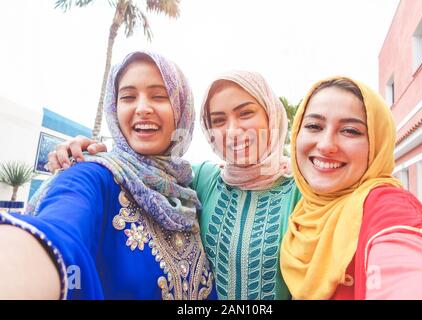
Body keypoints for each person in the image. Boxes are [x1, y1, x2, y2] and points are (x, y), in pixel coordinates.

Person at [46, 70, 302, 300]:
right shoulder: (202, 180)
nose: (233, 131)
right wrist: (91, 155)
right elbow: (61, 227)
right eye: (219, 120)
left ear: (272, 116)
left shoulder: (304, 191)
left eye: (246, 113)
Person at [0, 51, 216, 300]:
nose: (142, 108)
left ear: (182, 110)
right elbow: (59, 230)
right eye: (128, 97)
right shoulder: (91, 174)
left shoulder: (189, 192)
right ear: (115, 108)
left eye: (159, 96)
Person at [280, 76, 422, 299]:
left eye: (350, 131)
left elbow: (406, 271)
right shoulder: (300, 209)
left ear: (377, 144)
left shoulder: (384, 202)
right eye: (313, 126)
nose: (326, 145)